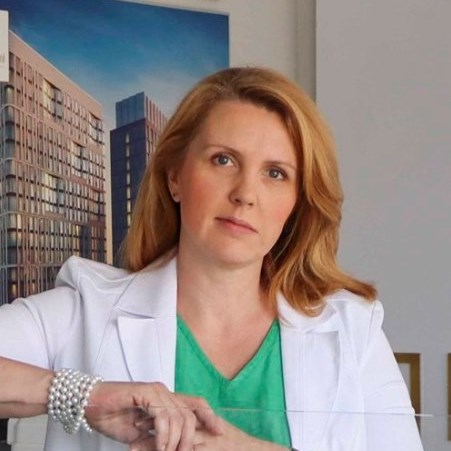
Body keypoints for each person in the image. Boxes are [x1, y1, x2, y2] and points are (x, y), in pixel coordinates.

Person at [0, 67, 423, 451]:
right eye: (223, 160)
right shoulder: (87, 308)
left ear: (297, 201)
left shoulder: (352, 330)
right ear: (175, 177)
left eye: (275, 173)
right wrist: (83, 395)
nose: (245, 193)